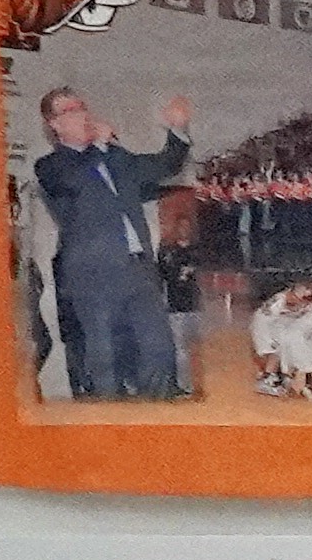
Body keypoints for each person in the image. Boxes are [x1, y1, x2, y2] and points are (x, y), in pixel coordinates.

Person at [29, 86, 195, 398]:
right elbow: (75, 181)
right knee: (104, 361)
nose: (82, 114)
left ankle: (161, 424)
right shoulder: (51, 166)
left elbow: (165, 166)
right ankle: (107, 429)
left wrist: (178, 128)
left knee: (157, 349)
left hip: (138, 271)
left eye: (82, 107)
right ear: (54, 124)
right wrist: (102, 144)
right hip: (94, 276)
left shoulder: (115, 157)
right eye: (70, 111)